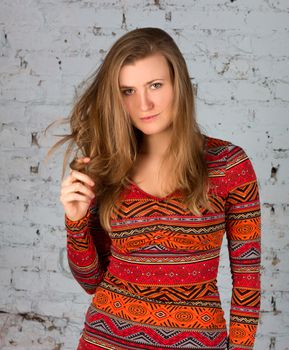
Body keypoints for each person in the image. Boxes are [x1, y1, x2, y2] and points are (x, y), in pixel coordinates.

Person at [45, 27, 261, 350]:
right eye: (128, 91)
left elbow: (247, 283)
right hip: (105, 341)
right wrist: (75, 222)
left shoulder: (229, 165)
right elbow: (92, 281)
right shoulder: (106, 167)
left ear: (179, 84)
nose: (143, 103)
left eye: (155, 85)